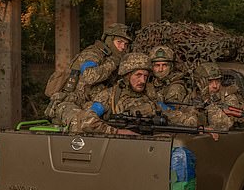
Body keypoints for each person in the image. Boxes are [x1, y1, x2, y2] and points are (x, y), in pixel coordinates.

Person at [69, 52, 197, 135]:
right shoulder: (110, 96)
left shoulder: (150, 96)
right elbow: (87, 121)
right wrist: (118, 131)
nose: (142, 80)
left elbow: (169, 114)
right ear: (127, 76)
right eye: (138, 75)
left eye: (146, 76)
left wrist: (194, 123)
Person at [44, 23, 132, 124]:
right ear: (109, 40)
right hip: (70, 103)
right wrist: (113, 62)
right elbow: (90, 76)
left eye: (126, 44)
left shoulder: (116, 58)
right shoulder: (93, 53)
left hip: (91, 104)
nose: (122, 47)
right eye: (119, 42)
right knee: (83, 123)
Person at [190, 62, 244, 130]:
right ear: (199, 83)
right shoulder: (193, 97)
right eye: (210, 82)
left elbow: (224, 125)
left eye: (218, 81)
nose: (215, 86)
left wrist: (208, 104)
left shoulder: (228, 97)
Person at [146, 45, 189, 110]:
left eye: (164, 65)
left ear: (171, 67)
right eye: (157, 65)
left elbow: (172, 112)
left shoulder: (176, 87)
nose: (160, 69)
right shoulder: (149, 82)